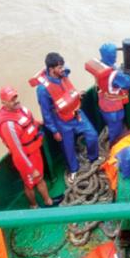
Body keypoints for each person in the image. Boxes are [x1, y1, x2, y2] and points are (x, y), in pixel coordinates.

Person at [29, 52, 99, 183]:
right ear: (51, 69)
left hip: (76, 113)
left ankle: (93, 158)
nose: (62, 69)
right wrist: (54, 130)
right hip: (61, 121)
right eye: (59, 68)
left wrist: (77, 94)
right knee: (68, 148)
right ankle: (73, 170)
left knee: (92, 135)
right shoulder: (43, 90)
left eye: (62, 66)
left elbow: (66, 88)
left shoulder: (63, 74)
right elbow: (46, 112)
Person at [0, 86, 59, 208]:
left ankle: (48, 201)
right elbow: (17, 151)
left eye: (15, 97)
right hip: (26, 159)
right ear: (4, 103)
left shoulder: (21, 109)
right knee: (29, 184)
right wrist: (30, 168)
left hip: (35, 152)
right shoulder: (8, 125)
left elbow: (31, 122)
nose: (15, 101)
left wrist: (42, 123)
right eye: (11, 100)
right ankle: (34, 206)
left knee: (39, 178)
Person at [85, 43, 130, 143]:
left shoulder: (99, 67)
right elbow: (127, 83)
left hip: (103, 103)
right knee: (115, 133)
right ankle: (114, 150)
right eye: (114, 54)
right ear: (112, 56)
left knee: (112, 127)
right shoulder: (115, 75)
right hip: (114, 108)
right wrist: (126, 74)